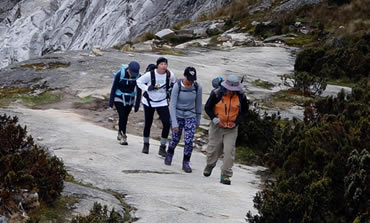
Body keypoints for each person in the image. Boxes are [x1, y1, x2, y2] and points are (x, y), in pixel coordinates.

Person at [203, 74, 248, 185]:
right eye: (230, 89)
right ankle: (210, 165)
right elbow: (207, 108)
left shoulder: (241, 97)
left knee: (229, 151)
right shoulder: (217, 94)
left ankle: (225, 175)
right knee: (213, 149)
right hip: (217, 127)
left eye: (234, 89)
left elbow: (244, 112)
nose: (231, 91)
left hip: (231, 129)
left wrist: (236, 123)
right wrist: (215, 119)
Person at [164, 67, 202, 173]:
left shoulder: (197, 87)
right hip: (178, 114)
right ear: (185, 76)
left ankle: (186, 162)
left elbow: (198, 104)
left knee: (189, 140)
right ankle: (170, 153)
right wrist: (174, 122)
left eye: (193, 79)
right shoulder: (177, 86)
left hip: (190, 115)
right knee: (175, 138)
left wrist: (198, 120)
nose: (191, 81)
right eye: (189, 79)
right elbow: (172, 105)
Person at [136, 57, 176, 156]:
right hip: (149, 101)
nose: (163, 66)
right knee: (148, 123)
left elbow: (174, 84)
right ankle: (146, 144)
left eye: (165, 64)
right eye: (161, 64)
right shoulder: (150, 75)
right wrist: (147, 88)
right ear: (157, 65)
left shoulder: (170, 75)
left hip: (162, 101)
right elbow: (138, 81)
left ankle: (162, 147)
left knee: (167, 124)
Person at [109, 61, 141, 145]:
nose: (133, 75)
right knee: (122, 115)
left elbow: (139, 90)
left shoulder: (138, 76)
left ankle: (120, 132)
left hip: (129, 99)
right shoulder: (120, 74)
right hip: (118, 97)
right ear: (128, 70)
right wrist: (111, 102)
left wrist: (137, 104)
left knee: (125, 117)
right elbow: (114, 87)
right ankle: (123, 136)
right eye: (131, 73)